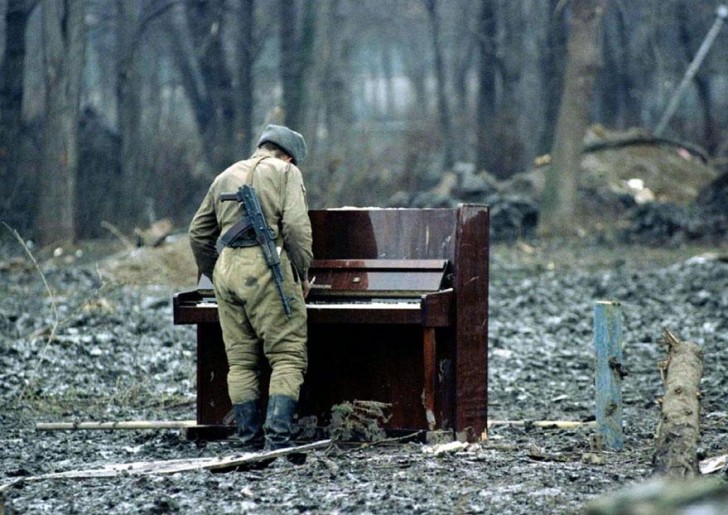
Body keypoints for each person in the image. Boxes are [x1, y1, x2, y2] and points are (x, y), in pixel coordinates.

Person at [189, 124, 313, 452]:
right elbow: (297, 229)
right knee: (287, 355)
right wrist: (301, 275)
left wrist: (216, 273)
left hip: (227, 271)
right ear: (288, 155)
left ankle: (248, 442)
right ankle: (278, 440)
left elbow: (198, 234)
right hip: (268, 267)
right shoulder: (287, 173)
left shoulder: (225, 175)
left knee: (241, 362)